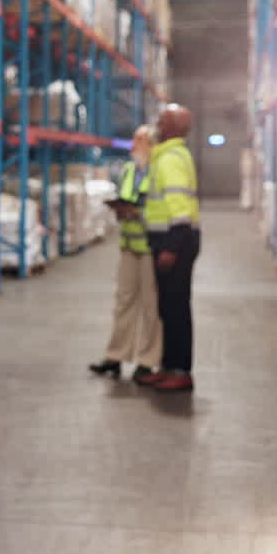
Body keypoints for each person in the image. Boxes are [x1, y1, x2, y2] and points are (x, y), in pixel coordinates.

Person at [135, 104, 201, 392]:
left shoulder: (170, 159)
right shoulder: (167, 156)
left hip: (176, 241)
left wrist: (171, 247)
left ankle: (180, 371)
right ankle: (168, 365)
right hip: (170, 240)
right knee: (168, 308)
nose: (157, 128)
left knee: (176, 309)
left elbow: (180, 209)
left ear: (173, 128)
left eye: (162, 123)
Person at [90, 125, 162, 380]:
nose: (133, 145)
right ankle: (116, 356)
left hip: (151, 247)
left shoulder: (159, 171)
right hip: (129, 246)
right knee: (123, 302)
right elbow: (127, 196)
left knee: (151, 306)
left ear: (151, 144)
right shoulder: (130, 170)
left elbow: (160, 207)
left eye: (139, 140)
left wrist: (138, 212)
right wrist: (121, 210)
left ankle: (147, 360)